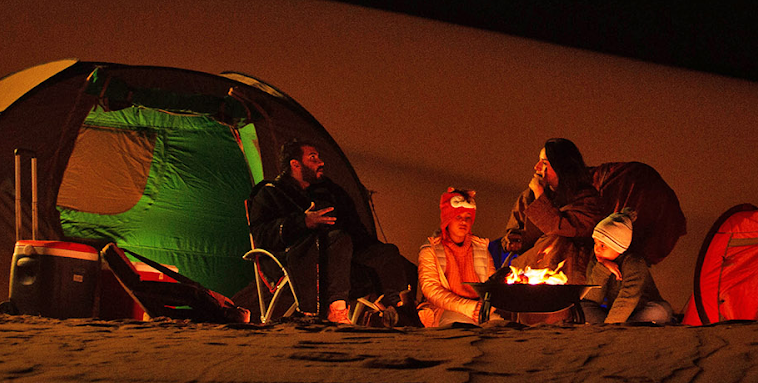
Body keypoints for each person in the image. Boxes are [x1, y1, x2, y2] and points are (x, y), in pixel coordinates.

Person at [248, 141, 416, 325]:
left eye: (319, 156)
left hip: (343, 261)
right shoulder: (271, 193)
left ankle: (394, 310)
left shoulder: (331, 192)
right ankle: (337, 311)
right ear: (295, 164)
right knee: (338, 239)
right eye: (313, 157)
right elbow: (262, 234)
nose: (321, 162)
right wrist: (303, 222)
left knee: (388, 253)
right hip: (296, 261)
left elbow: (356, 230)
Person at [501, 138, 610, 281]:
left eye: (544, 163)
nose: (537, 167)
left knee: (557, 240)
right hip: (528, 268)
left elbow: (558, 227)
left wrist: (540, 195)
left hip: (568, 271)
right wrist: (512, 241)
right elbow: (513, 231)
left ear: (561, 167)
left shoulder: (587, 200)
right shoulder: (528, 196)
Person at [416, 188, 497, 327]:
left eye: (468, 218)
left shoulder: (481, 249)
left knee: (501, 329)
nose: (463, 222)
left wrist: (488, 306)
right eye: (458, 217)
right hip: (446, 310)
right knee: (461, 330)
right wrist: (466, 307)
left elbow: (492, 286)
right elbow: (431, 289)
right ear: (448, 219)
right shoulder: (431, 250)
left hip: (479, 311)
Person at [582, 209, 675, 324]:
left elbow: (628, 299)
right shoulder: (596, 262)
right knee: (583, 308)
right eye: (596, 243)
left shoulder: (634, 263)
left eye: (603, 245)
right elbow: (592, 299)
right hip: (611, 312)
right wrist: (603, 268)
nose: (597, 249)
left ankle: (619, 328)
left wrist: (609, 327)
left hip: (640, 311)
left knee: (660, 311)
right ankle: (626, 327)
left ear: (618, 247)